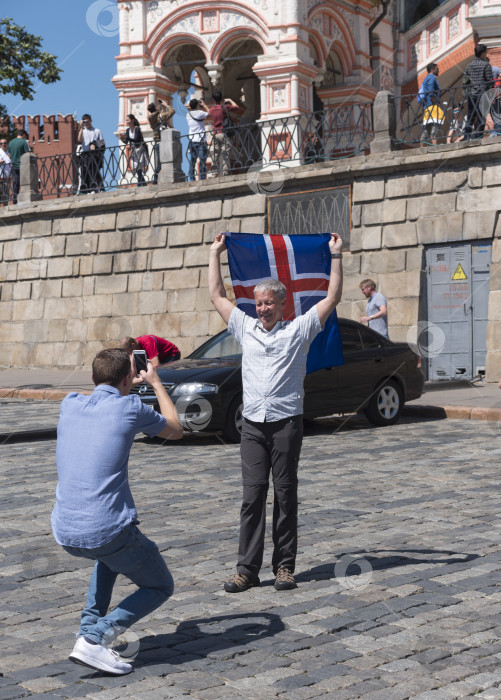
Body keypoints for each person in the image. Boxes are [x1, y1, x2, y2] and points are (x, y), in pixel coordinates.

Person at [209, 231, 343, 593]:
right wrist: (215, 253)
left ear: (282, 304)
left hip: (285, 425)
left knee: (285, 495)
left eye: (269, 303)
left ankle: (284, 567)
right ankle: (246, 571)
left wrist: (336, 256)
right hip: (252, 426)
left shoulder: (298, 331)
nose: (263, 308)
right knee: (252, 498)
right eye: (259, 303)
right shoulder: (245, 327)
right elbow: (217, 295)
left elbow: (332, 297)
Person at [51, 348, 183, 675]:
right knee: (159, 586)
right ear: (128, 378)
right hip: (105, 531)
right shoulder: (130, 407)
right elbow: (175, 428)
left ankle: (87, 630)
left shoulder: (69, 403)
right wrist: (154, 382)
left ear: (93, 377)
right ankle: (95, 639)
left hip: (65, 531)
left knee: (108, 554)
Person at [463, 44, 494, 140]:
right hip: (482, 94)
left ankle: (466, 136)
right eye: (486, 52)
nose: (487, 53)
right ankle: (478, 136)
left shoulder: (470, 65)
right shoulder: (486, 65)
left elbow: (466, 80)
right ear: (482, 53)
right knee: (481, 117)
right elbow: (489, 81)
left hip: (471, 94)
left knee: (470, 117)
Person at [208, 90, 239, 175]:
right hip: (224, 133)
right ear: (221, 99)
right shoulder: (224, 108)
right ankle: (225, 172)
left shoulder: (211, 110)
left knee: (215, 155)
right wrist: (229, 100)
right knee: (225, 154)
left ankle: (213, 173)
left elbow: (209, 114)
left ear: (213, 100)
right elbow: (236, 107)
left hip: (215, 134)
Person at [147, 99, 175, 184]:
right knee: (162, 162)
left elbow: (160, 118)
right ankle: (155, 179)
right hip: (163, 142)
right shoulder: (159, 115)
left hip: (157, 142)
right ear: (155, 109)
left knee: (161, 161)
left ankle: (157, 179)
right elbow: (172, 111)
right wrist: (166, 105)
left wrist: (161, 109)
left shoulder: (151, 117)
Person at [78, 114, 106, 193]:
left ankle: (100, 188)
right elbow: (79, 140)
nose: (86, 123)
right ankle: (89, 189)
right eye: (84, 121)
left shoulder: (97, 131)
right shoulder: (82, 131)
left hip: (95, 154)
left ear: (91, 121)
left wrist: (95, 145)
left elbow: (103, 143)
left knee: (95, 171)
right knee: (86, 171)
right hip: (85, 154)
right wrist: (81, 128)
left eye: (87, 121)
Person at [120, 114, 148, 186]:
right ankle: (144, 184)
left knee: (138, 168)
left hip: (140, 150)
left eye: (128, 120)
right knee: (137, 168)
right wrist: (122, 138)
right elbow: (126, 142)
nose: (127, 122)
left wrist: (127, 137)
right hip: (134, 150)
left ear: (132, 120)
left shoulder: (137, 129)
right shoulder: (128, 130)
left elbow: (136, 139)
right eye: (126, 120)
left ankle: (139, 184)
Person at [186, 97, 209, 181]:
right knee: (202, 160)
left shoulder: (188, 115)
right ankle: (202, 177)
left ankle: (192, 178)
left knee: (192, 161)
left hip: (192, 141)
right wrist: (204, 105)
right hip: (201, 140)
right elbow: (210, 113)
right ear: (197, 105)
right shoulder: (200, 113)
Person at [419, 63, 442, 146]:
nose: (438, 70)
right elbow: (431, 92)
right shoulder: (432, 77)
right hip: (432, 106)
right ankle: (435, 147)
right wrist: (436, 103)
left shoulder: (426, 79)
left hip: (426, 107)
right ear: (432, 69)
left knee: (426, 129)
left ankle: (421, 148)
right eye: (437, 69)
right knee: (434, 127)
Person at [8, 129, 29, 204]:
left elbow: (9, 155)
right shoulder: (24, 142)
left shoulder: (10, 142)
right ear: (23, 135)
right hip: (22, 165)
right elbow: (27, 154)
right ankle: (25, 199)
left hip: (13, 166)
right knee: (25, 182)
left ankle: (15, 200)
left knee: (16, 183)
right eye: (25, 136)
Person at [0, 137, 12, 204]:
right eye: (1, 143)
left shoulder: (8, 152)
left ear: (7, 144)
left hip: (8, 177)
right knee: (3, 193)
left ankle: (6, 208)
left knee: (6, 194)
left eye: (4, 143)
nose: (3, 144)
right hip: (1, 177)